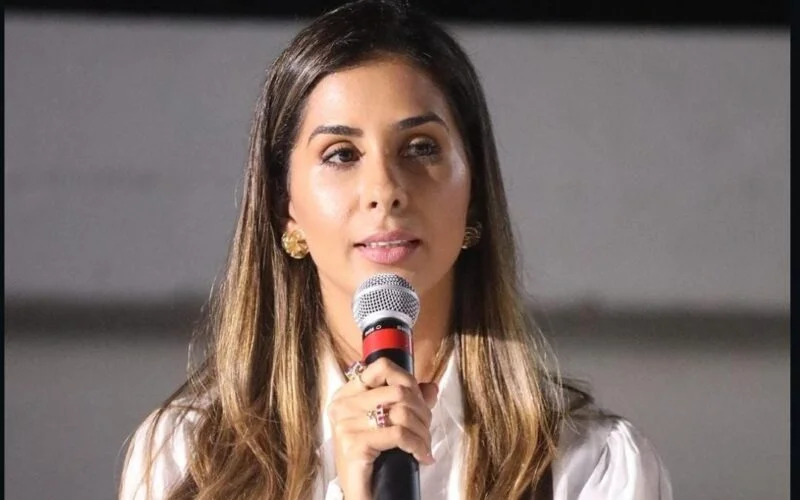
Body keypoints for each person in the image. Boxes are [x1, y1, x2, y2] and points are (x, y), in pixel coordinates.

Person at [118, 1, 673, 498]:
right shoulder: (190, 459)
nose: (384, 190)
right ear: (285, 205)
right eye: (341, 154)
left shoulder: (592, 467)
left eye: (420, 147)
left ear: (475, 190)